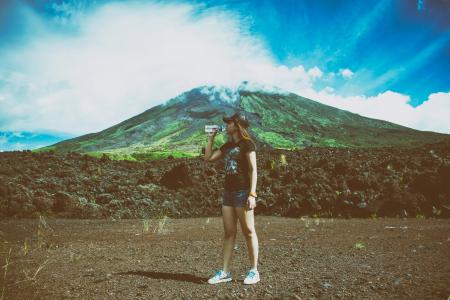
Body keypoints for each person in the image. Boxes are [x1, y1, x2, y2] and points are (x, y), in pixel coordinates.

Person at [204, 112, 260, 285]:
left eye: (229, 123)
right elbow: (208, 158)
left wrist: (252, 193)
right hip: (228, 193)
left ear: (237, 125)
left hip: (243, 192)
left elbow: (253, 170)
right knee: (229, 233)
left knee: (248, 231)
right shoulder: (227, 145)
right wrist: (211, 139)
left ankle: (254, 271)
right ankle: (225, 272)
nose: (226, 125)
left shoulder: (247, 144)